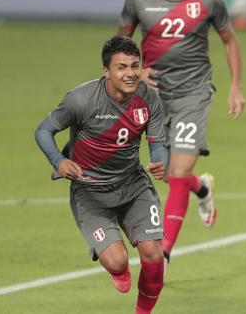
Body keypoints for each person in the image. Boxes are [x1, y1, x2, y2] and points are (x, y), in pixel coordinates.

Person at [34, 36, 166, 314]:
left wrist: (159, 162)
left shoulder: (148, 99)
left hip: (133, 185)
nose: (130, 74)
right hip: (90, 192)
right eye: (121, 67)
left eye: (134, 66)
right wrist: (59, 161)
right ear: (106, 70)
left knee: (153, 255)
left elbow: (157, 144)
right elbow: (43, 131)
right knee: (118, 262)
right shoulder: (80, 100)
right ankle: (106, 253)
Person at [118, 0, 246, 262]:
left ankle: (163, 253)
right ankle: (201, 187)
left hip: (194, 94)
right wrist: (135, 71)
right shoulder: (138, 0)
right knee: (166, 172)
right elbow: (122, 43)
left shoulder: (208, 2)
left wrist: (235, 86)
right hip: (154, 96)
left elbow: (229, 40)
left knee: (177, 171)